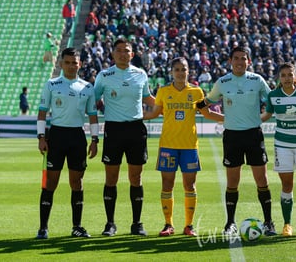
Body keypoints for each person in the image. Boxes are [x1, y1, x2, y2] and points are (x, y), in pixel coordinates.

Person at [199, 46, 276, 236]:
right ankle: (230, 223)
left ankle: (269, 222)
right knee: (233, 182)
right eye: (236, 58)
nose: (240, 62)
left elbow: (272, 102)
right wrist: (222, 118)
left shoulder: (257, 80)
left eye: (243, 58)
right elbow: (204, 105)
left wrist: (262, 119)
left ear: (248, 61)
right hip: (232, 136)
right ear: (230, 61)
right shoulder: (222, 82)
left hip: (253, 135)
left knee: (262, 180)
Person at [143, 57, 224, 237]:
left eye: (184, 69)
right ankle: (168, 224)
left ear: (189, 71)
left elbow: (207, 112)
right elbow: (155, 113)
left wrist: (228, 118)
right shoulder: (163, 91)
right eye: (177, 69)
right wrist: (132, 116)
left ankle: (189, 225)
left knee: (190, 185)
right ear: (172, 72)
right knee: (167, 184)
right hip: (168, 145)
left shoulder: (197, 92)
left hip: (189, 146)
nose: (180, 72)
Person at [35, 47, 99, 239]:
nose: (71, 66)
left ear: (80, 64)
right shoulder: (51, 85)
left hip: (77, 137)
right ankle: (43, 228)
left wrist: (95, 140)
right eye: (68, 62)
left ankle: (77, 227)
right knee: (50, 183)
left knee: (76, 182)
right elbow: (42, 112)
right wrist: (41, 137)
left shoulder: (87, 87)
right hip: (56, 136)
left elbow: (93, 116)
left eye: (75, 63)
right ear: (61, 63)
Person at [94, 39, 155, 237]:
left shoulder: (141, 74)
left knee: (135, 177)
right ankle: (110, 224)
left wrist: (171, 105)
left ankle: (137, 223)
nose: (122, 54)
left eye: (126, 51)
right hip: (114, 130)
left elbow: (148, 98)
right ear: (112, 53)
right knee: (111, 178)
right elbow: (92, 100)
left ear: (132, 53)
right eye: (118, 50)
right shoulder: (104, 75)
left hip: (136, 129)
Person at [261, 62, 296, 237]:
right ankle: (287, 225)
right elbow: (265, 116)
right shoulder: (273, 95)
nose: (287, 78)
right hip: (282, 144)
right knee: (286, 185)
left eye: (290, 74)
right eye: (283, 75)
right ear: (279, 77)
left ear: (295, 76)